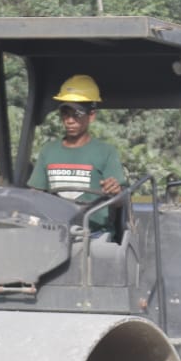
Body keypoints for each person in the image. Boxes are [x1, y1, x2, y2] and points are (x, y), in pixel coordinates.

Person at [27, 74, 126, 238]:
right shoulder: (48, 151)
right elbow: (35, 195)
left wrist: (116, 191)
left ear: (91, 115)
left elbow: (121, 200)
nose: (69, 120)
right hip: (56, 233)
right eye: (65, 113)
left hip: (95, 234)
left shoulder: (106, 152)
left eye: (77, 114)